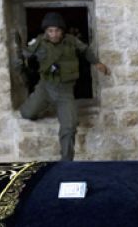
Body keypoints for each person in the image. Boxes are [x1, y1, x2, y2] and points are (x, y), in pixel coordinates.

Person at [19, 12, 110, 161]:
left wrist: (97, 62)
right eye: (50, 31)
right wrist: (21, 59)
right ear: (46, 32)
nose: (54, 34)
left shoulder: (71, 41)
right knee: (27, 113)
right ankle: (46, 105)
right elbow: (25, 55)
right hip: (45, 88)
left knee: (69, 126)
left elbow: (85, 50)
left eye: (57, 30)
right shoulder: (39, 43)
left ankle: (66, 162)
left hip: (65, 92)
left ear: (62, 30)